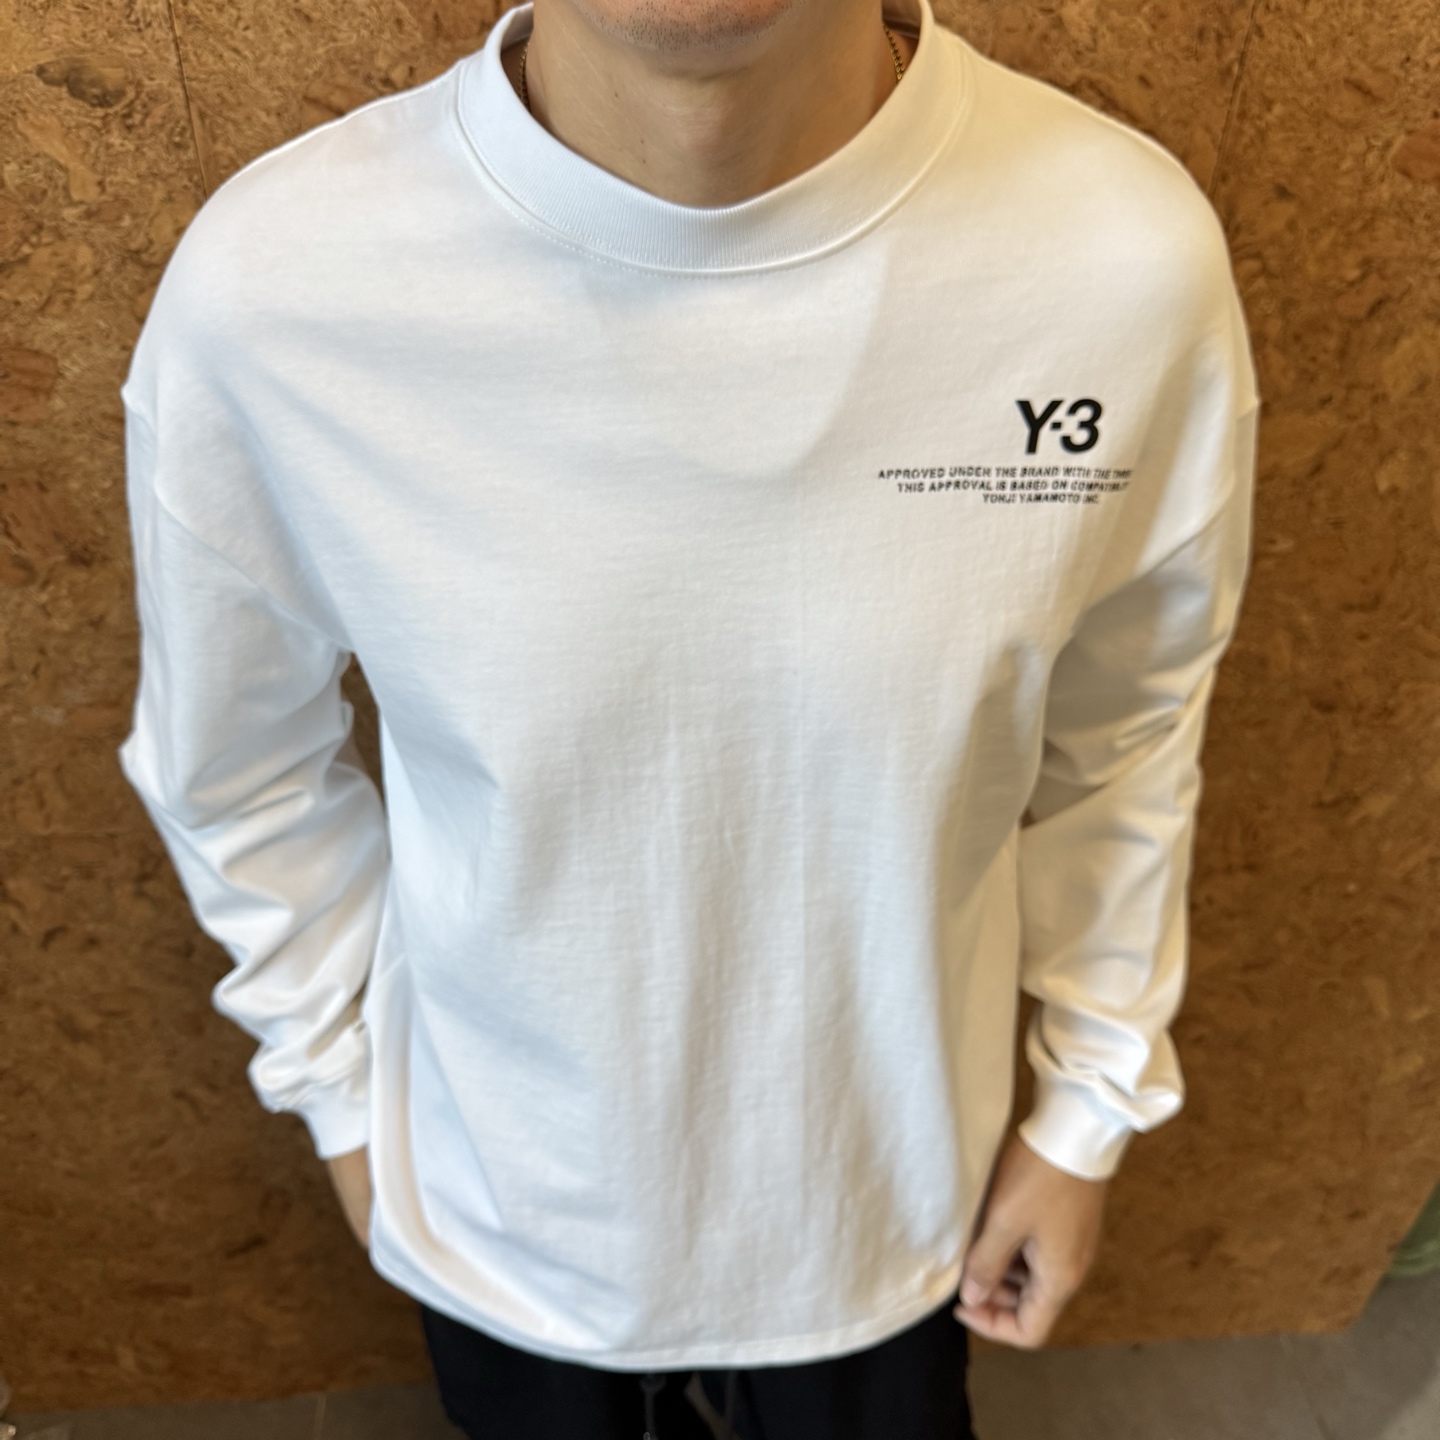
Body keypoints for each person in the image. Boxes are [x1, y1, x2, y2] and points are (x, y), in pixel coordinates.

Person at [117, 0, 1259, 1434]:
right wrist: (342, 1097)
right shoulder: (276, 293)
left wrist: (1088, 1106)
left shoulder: (1118, 263)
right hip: (496, 1214)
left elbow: (1127, 735)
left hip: (893, 1206)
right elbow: (236, 770)